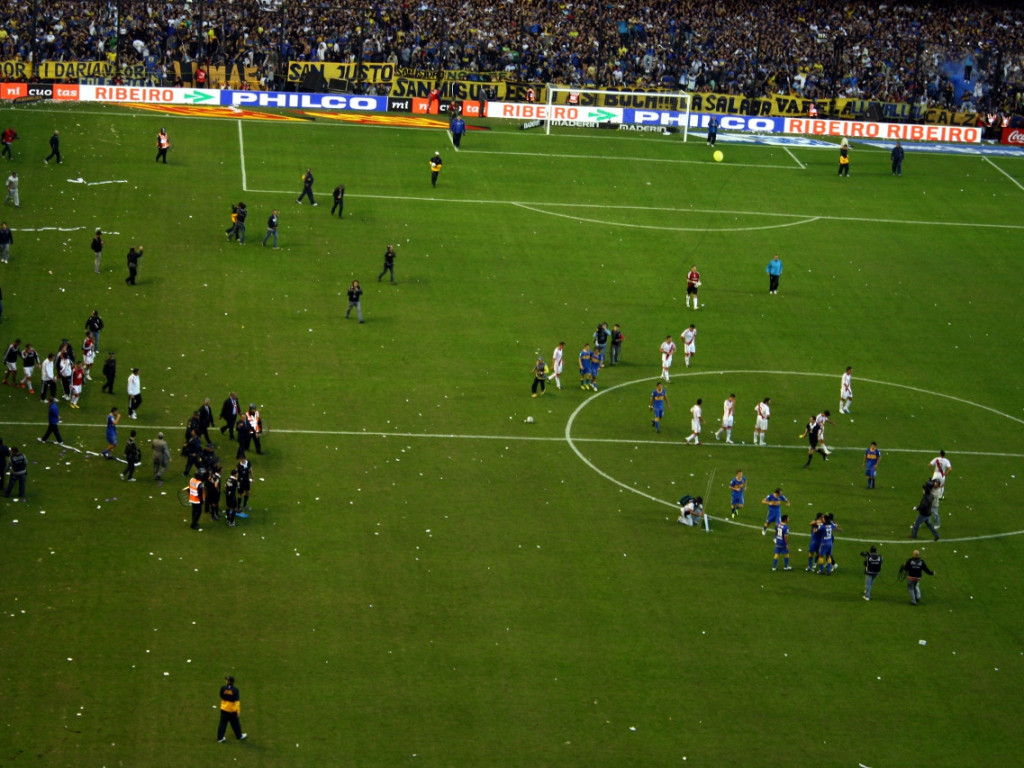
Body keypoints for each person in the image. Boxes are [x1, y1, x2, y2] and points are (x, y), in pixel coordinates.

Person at [217, 676, 247, 742]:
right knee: (235, 724)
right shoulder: (235, 690)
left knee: (222, 724)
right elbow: (237, 702)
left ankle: (220, 738)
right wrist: (238, 711)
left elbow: (221, 696)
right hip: (232, 710)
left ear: (228, 681)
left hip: (224, 709)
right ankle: (239, 736)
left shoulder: (223, 688)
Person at [928, 450, 951, 530]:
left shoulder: (936, 459)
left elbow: (929, 465)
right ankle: (940, 496)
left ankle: (933, 496)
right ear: (944, 455)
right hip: (942, 475)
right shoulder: (946, 461)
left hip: (936, 474)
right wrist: (946, 474)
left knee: (932, 486)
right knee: (941, 486)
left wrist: (933, 471)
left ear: (939, 454)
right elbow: (950, 469)